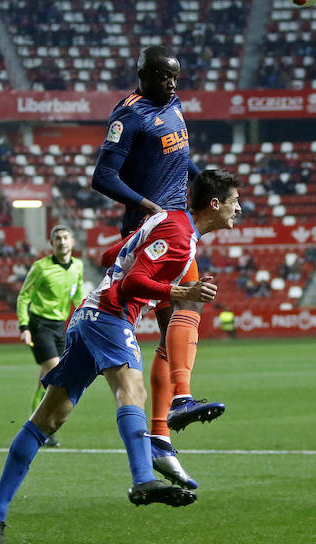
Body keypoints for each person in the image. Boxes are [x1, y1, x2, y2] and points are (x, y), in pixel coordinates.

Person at [0, 169, 241, 544]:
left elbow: (109, 254)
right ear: (215, 204)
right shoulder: (180, 235)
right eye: (234, 202)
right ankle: (143, 478)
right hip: (110, 317)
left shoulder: (167, 220)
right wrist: (178, 292)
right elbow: (131, 283)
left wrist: (136, 260)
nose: (238, 209)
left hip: (87, 317)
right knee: (132, 392)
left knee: (50, 417)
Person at [91, 45, 223, 490]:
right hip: (153, 228)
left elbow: (179, 158)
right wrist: (147, 206)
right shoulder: (129, 117)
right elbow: (102, 176)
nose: (172, 84)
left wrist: (204, 179)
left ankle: (164, 437)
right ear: (143, 73)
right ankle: (169, 422)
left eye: (176, 77)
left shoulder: (174, 104)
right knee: (181, 311)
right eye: (165, 77)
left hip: (176, 221)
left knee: (179, 321)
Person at [16, 224, 84, 447]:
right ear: (51, 244)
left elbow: (79, 295)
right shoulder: (41, 267)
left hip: (59, 327)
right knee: (56, 373)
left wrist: (84, 316)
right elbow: (24, 296)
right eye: (57, 239)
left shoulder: (78, 267)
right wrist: (24, 327)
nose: (62, 242)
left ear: (72, 241)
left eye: (65, 238)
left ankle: (35, 425)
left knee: (44, 380)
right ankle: (44, 426)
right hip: (40, 326)